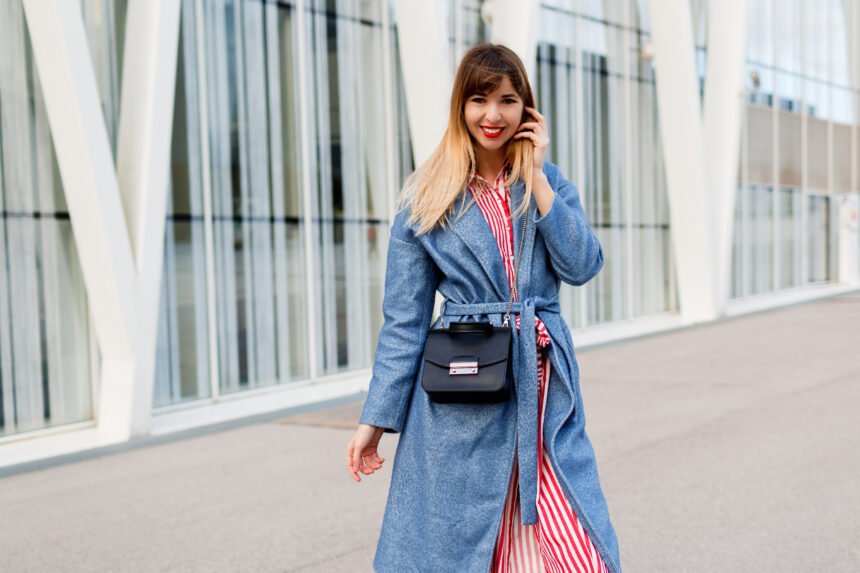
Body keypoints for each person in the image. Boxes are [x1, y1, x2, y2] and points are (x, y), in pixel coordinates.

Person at [346, 43, 621, 573]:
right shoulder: (426, 197)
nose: (492, 115)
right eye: (479, 100)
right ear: (461, 106)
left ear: (527, 109)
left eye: (507, 100)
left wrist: (536, 177)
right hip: (465, 392)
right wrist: (375, 420)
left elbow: (583, 265)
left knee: (578, 546)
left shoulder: (549, 183)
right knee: (470, 547)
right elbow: (404, 324)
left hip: (543, 393)